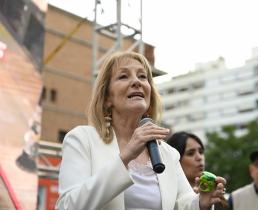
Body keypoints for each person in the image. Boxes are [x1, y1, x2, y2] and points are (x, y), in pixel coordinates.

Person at [55, 51, 226, 210]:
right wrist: (126, 156)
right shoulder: (83, 139)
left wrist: (201, 203)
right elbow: (67, 205)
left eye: (143, 76)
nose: (137, 82)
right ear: (107, 98)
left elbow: (184, 203)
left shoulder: (168, 154)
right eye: (123, 76)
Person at [167, 131, 228, 209]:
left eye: (201, 152)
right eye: (190, 153)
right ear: (175, 160)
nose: (199, 157)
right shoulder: (165, 200)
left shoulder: (216, 197)